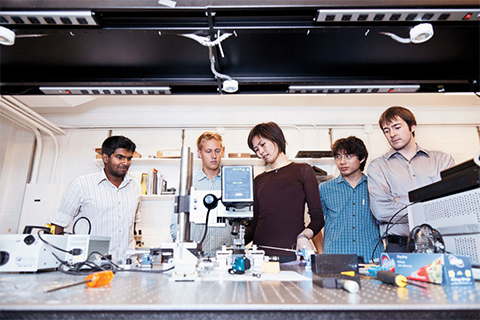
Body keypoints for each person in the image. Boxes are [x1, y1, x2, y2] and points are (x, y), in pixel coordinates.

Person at [367, 106, 454, 252]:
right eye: (386, 130)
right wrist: (428, 206)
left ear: (412, 126)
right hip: (398, 246)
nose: (392, 134)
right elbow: (381, 210)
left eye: (397, 127)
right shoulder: (378, 167)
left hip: (439, 244)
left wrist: (400, 199)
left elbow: (449, 205)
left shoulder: (442, 160)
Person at [50, 135, 141, 263]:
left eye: (129, 158)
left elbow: (132, 223)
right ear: (105, 158)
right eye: (119, 157)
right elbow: (59, 222)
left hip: (126, 264)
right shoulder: (82, 184)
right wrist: (62, 258)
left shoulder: (135, 186)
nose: (125, 163)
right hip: (90, 264)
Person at [245, 122, 325, 262]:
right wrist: (232, 245)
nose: (260, 152)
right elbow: (253, 224)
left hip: (292, 254)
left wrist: (303, 237)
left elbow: (318, 218)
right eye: (256, 149)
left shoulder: (303, 170)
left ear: (276, 138)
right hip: (260, 257)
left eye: (263, 144)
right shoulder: (258, 180)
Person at [319, 136, 383, 263]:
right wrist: (321, 253)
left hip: (371, 258)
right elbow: (316, 222)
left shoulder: (375, 187)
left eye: (348, 156)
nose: (342, 161)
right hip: (334, 258)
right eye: (338, 157)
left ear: (362, 158)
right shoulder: (325, 188)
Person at [170, 132, 232, 257]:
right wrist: (186, 251)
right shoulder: (188, 184)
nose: (214, 156)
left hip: (225, 258)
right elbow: (175, 224)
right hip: (195, 257)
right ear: (199, 153)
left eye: (217, 151)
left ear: (222, 151)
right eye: (208, 151)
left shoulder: (231, 183)